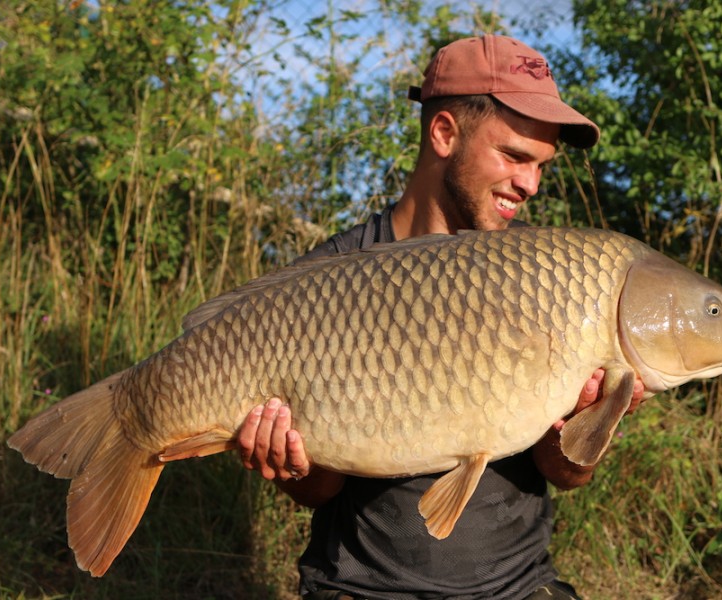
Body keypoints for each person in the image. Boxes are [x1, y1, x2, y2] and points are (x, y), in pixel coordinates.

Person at [239, 34, 644, 600]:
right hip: (362, 589)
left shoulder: (553, 277)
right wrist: (289, 461)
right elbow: (320, 490)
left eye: (541, 166)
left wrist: (586, 421)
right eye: (514, 156)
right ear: (445, 133)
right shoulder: (324, 280)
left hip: (518, 588)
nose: (530, 184)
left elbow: (567, 475)